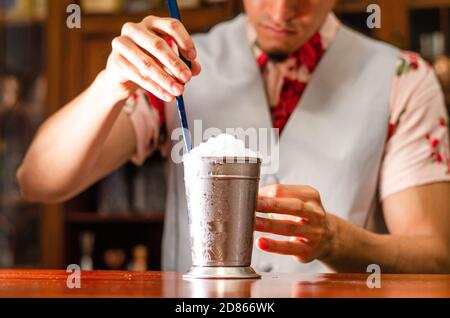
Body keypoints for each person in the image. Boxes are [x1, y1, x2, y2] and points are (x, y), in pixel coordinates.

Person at [17, 0, 450, 273]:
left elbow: (434, 255)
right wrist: (110, 84)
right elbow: (38, 181)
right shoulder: (178, 65)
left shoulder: (401, 80)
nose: (281, 12)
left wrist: (335, 241)